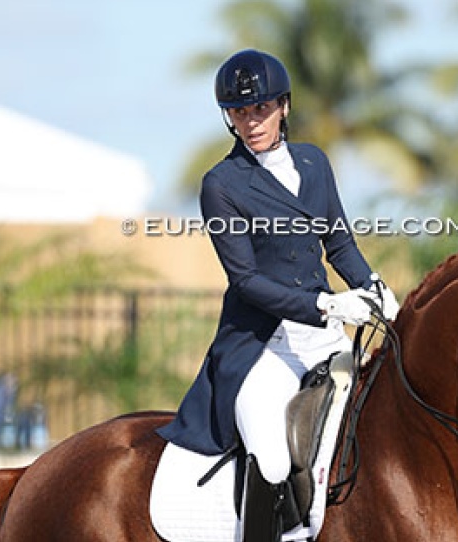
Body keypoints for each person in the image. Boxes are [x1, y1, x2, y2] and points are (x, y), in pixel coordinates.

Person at [156, 49, 399, 542]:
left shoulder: (314, 163)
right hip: (261, 347)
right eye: (239, 113)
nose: (251, 122)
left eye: (260, 109)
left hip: (323, 340)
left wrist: (375, 289)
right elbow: (245, 280)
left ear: (284, 107)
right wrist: (327, 304)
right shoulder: (221, 184)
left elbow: (340, 243)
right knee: (269, 453)